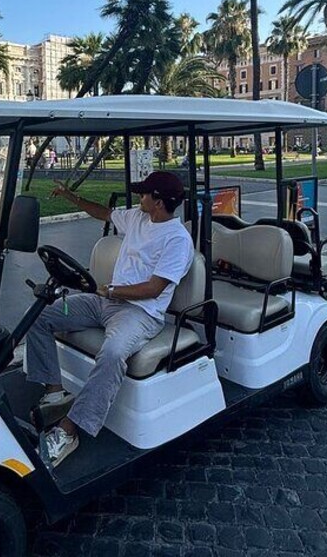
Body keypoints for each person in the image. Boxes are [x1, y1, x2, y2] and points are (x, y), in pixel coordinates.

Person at [26, 171, 194, 467]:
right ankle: (54, 393)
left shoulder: (177, 240)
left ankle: (69, 431)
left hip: (141, 313)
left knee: (114, 353)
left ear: (158, 202)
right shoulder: (139, 218)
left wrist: (112, 290)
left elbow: (154, 289)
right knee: (40, 316)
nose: (139, 196)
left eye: (144, 193)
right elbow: (103, 212)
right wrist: (70, 196)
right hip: (106, 301)